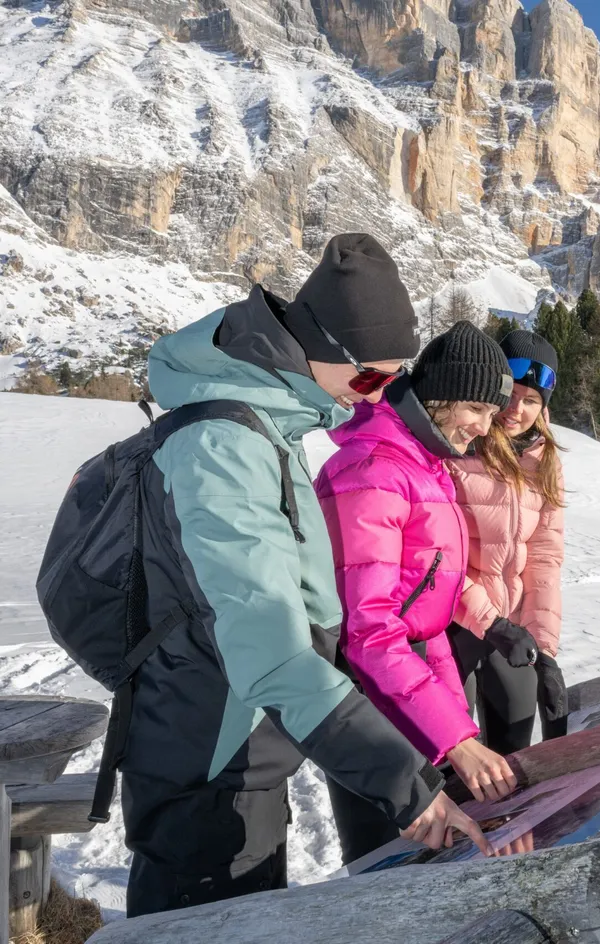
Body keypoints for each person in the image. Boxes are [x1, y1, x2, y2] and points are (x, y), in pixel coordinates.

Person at [122, 234, 489, 917]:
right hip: (208, 757)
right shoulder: (224, 446)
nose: (372, 399)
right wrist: (404, 787)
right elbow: (272, 643)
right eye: (372, 379)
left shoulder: (268, 427)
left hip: (246, 749)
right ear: (327, 348)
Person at [315, 321, 522, 864]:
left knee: (438, 863)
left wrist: (456, 728)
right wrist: (455, 741)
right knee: (385, 868)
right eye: (475, 410)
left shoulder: (426, 468)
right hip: (368, 707)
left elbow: (431, 588)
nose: (483, 428)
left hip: (418, 690)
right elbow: (369, 631)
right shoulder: (374, 472)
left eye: (490, 414)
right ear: (439, 395)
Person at [447, 329, 568, 755]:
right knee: (453, 764)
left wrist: (546, 651)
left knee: (513, 757)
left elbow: (543, 561)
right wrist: (487, 621)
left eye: (532, 399)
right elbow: (435, 558)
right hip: (451, 626)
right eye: (510, 393)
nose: (517, 409)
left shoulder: (543, 464)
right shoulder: (457, 447)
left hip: (511, 628)